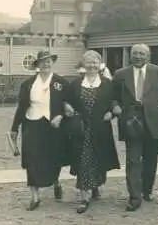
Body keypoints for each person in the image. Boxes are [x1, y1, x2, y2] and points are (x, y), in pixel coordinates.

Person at [112, 44, 158, 212]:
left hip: (153, 120)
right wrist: (115, 106)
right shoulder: (121, 74)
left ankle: (146, 190)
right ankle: (134, 197)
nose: (138, 56)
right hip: (131, 121)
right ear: (131, 56)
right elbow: (113, 95)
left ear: (148, 55)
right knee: (133, 159)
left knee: (151, 158)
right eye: (135, 53)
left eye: (142, 54)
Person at [9, 50, 70, 211]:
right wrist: (14, 128)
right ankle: (34, 197)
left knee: (54, 157)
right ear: (37, 64)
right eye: (42, 61)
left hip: (53, 125)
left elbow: (71, 106)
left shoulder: (61, 83)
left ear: (52, 62)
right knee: (32, 159)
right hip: (32, 124)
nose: (46, 63)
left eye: (49, 60)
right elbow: (22, 107)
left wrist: (61, 116)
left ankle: (56, 181)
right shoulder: (28, 84)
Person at [64, 50, 120, 214]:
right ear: (83, 65)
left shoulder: (108, 84)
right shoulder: (75, 84)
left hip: (100, 127)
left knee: (97, 158)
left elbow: (114, 101)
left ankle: (94, 185)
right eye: (88, 62)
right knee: (83, 159)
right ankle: (84, 196)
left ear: (100, 65)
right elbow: (67, 101)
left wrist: (112, 112)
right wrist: (67, 107)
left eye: (95, 62)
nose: (92, 65)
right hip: (81, 128)